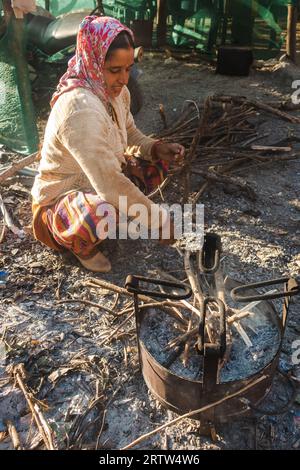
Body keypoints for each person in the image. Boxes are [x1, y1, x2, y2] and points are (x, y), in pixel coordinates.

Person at [31, 15, 185, 273]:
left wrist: (156, 148)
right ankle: (78, 244)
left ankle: (115, 213)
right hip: (62, 197)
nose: (124, 79)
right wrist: (159, 220)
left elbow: (130, 134)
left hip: (99, 181)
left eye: (128, 69)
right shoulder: (79, 108)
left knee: (154, 166)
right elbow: (109, 182)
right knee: (100, 211)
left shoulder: (115, 93)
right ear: (93, 62)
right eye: (115, 70)